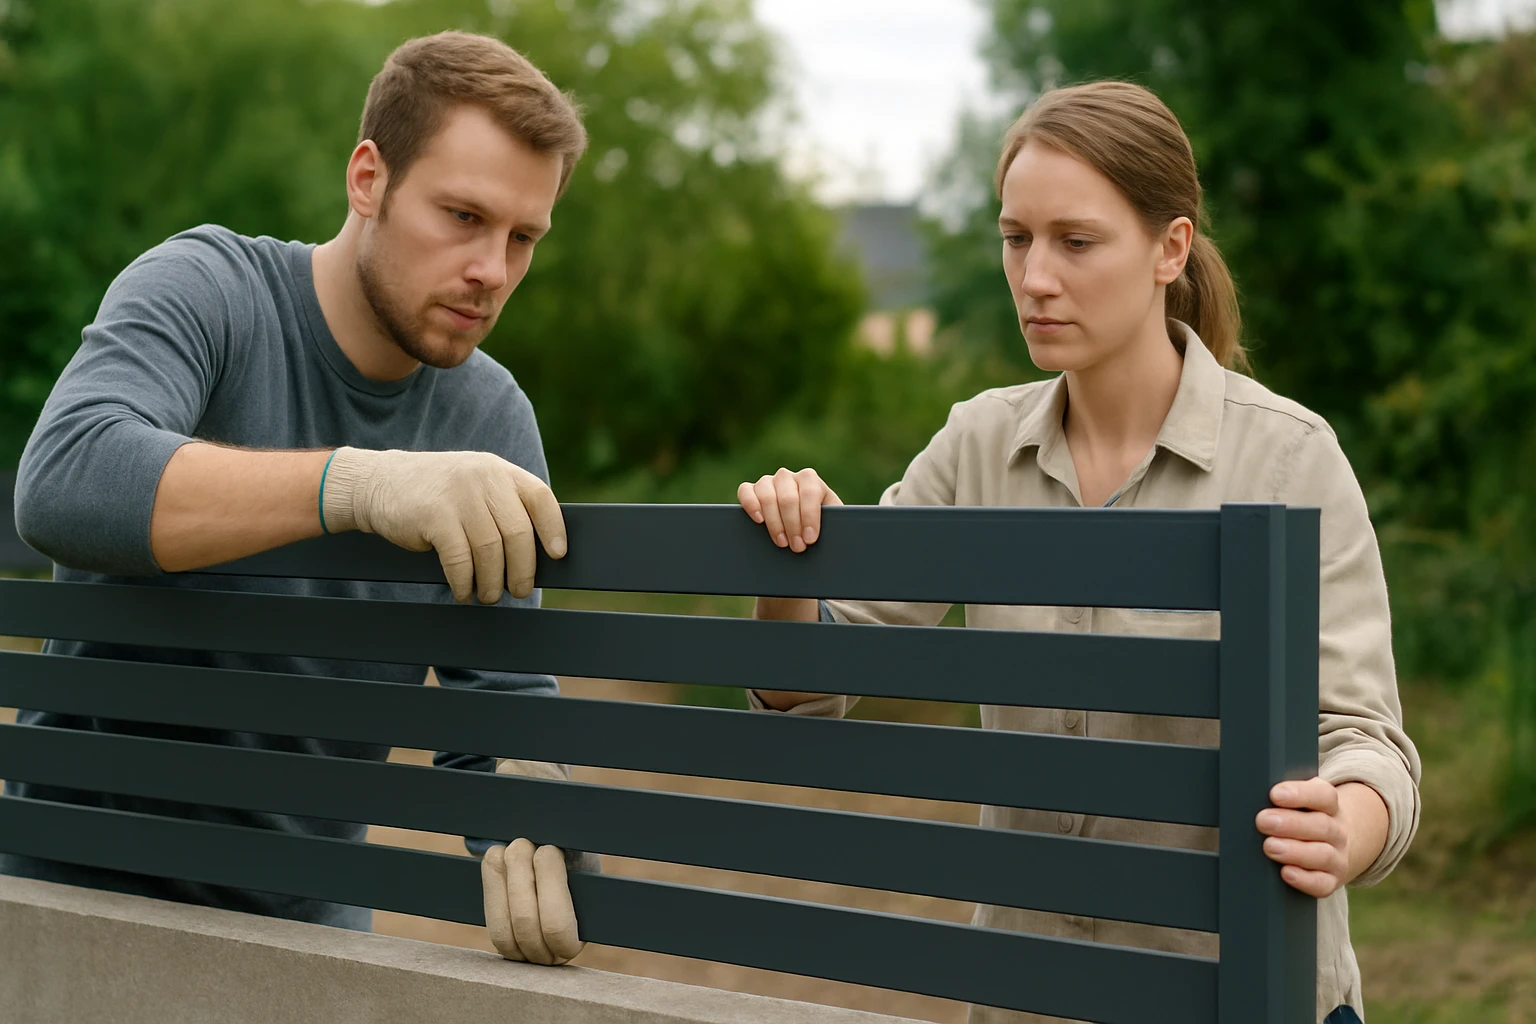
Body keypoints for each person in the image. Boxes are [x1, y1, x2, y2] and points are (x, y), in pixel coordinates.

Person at [736, 82, 1421, 1024]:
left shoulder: (1292, 456)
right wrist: (788, 555)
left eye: (1076, 241)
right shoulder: (976, 444)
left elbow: (1365, 741)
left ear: (1169, 249)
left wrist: (1345, 823)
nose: (1034, 277)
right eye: (1016, 238)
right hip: (1027, 999)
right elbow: (812, 688)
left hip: (1235, 996)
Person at [4, 30, 588, 967]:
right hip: (71, 903)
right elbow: (66, 476)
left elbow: (500, 705)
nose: (493, 269)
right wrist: (359, 484)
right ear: (368, 179)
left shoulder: (491, 418)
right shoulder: (209, 287)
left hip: (305, 938)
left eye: (523, 238)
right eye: (463, 216)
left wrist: (531, 821)